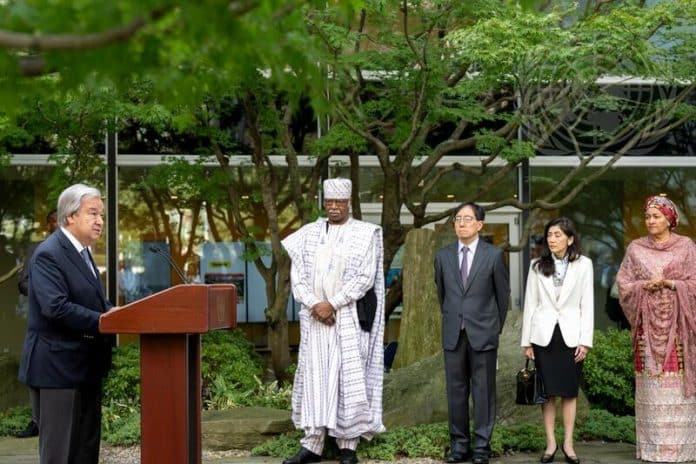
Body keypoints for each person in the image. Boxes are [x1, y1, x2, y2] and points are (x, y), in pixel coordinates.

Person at [280, 178, 385, 464]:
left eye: (340, 202)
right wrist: (315, 304)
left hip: (347, 317)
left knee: (346, 380)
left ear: (349, 203)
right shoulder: (307, 233)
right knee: (315, 379)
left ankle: (347, 447)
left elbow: (365, 277)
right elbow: (298, 277)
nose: (334, 207)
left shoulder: (365, 234)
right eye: (330, 202)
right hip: (315, 320)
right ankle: (311, 445)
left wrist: (333, 304)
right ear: (324, 203)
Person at [17, 183, 115, 464]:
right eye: (93, 213)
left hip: (85, 367)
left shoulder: (83, 252)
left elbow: (92, 302)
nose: (100, 221)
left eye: (101, 215)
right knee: (60, 455)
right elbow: (55, 308)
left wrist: (115, 312)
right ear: (70, 216)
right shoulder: (49, 253)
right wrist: (103, 320)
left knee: (85, 452)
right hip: (57, 369)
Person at [616, 195, 696, 462]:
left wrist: (672, 284)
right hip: (647, 330)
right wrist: (643, 286)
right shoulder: (636, 249)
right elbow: (624, 284)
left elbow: (694, 282)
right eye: (648, 216)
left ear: (670, 219)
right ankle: (652, 449)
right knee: (651, 386)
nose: (650, 221)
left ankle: (680, 449)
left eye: (656, 216)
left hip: (679, 330)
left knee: (677, 385)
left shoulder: (686, 247)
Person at [434, 202, 510, 464]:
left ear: (479, 224)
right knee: (455, 391)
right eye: (457, 218)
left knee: (483, 392)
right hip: (454, 333)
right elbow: (442, 295)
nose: (461, 223)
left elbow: (503, 297)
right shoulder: (442, 256)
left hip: (484, 333)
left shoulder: (494, 255)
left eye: (467, 219)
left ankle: (481, 447)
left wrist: (494, 329)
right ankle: (459, 446)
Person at [520, 217, 594, 464]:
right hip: (543, 336)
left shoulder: (584, 265)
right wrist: (527, 342)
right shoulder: (536, 266)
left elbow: (587, 305)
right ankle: (550, 443)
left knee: (569, 393)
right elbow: (530, 304)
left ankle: (569, 443)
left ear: (570, 239)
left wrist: (585, 341)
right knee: (548, 393)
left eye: (558, 235)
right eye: (549, 235)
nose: (552, 239)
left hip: (572, 336)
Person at [14, 209, 58, 439]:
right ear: (47, 225)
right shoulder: (37, 249)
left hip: (68, 323)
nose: (58, 226)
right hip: (41, 320)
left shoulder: (80, 251)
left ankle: (55, 423)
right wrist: (46, 295)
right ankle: (36, 421)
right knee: (33, 371)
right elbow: (23, 283)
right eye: (54, 222)